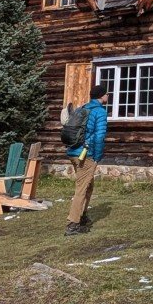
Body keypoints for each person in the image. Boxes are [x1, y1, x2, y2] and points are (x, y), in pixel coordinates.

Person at [65, 83, 109, 236]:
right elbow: (99, 136)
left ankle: (82, 216)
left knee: (88, 186)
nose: (108, 96)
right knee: (82, 188)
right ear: (102, 96)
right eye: (106, 94)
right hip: (86, 154)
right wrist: (96, 157)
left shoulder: (82, 108)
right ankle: (73, 224)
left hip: (73, 152)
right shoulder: (100, 112)